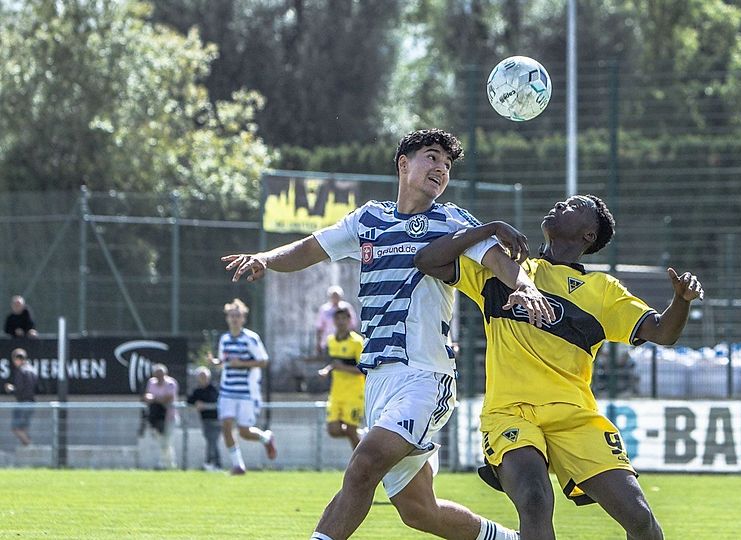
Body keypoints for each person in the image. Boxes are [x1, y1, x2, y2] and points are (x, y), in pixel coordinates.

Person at [223, 128, 554, 540]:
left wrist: (525, 285)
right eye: (432, 157)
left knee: (364, 465)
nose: (441, 169)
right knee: (419, 511)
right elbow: (311, 247)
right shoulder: (369, 219)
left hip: (425, 377)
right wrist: (265, 259)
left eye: (447, 165)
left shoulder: (449, 220)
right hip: (377, 380)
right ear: (403, 163)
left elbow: (496, 259)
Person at [416, 194, 703, 540]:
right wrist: (488, 229)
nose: (560, 205)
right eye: (564, 202)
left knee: (641, 521)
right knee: (535, 500)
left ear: (588, 236)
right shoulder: (505, 268)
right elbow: (427, 260)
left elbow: (662, 332)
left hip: (575, 417)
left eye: (575, 206)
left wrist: (681, 301)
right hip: (510, 413)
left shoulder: (603, 291)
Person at [215, 298, 277, 475]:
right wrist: (217, 362)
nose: (234, 319)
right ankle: (238, 465)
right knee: (226, 426)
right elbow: (225, 361)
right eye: (231, 316)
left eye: (238, 316)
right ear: (227, 318)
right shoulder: (224, 339)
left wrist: (241, 363)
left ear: (243, 318)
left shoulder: (251, 338)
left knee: (244, 432)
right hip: (227, 390)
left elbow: (264, 361)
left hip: (246, 392)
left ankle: (266, 437)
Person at [318, 308, 366, 449]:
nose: (341, 322)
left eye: (344, 318)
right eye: (338, 319)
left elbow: (363, 370)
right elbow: (334, 363)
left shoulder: (357, 342)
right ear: (333, 321)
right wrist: (326, 370)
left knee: (351, 430)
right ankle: (362, 435)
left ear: (349, 320)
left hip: (354, 393)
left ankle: (359, 466)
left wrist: (341, 368)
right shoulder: (331, 340)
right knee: (333, 430)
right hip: (336, 392)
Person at [142, 363, 179, 469]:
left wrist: (154, 399)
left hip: (169, 417)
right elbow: (147, 396)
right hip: (156, 417)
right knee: (161, 441)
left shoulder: (171, 383)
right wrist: (154, 398)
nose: (159, 377)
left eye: (161, 374)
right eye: (156, 374)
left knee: (167, 441)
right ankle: (169, 463)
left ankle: (166, 463)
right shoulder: (151, 383)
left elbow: (168, 398)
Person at [186, 366, 221, 471]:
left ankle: (214, 463)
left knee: (212, 441)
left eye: (204, 376)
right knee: (210, 441)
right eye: (200, 377)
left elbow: (216, 404)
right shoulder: (198, 391)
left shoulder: (213, 389)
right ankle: (212, 463)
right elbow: (190, 400)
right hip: (205, 420)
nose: (202, 379)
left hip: (216, 420)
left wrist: (204, 405)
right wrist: (196, 403)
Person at [4, 348, 38, 446]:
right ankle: (26, 448)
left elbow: (19, 389)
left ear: (17, 359)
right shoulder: (32, 370)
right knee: (23, 428)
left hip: (23, 403)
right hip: (31, 402)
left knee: (16, 428)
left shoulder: (21, 371)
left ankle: (30, 446)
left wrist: (11, 388)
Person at [315, 286, 358, 355]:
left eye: (337, 296)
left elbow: (353, 324)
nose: (335, 298)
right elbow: (319, 327)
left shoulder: (346, 307)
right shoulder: (324, 309)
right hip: (328, 342)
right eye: (333, 296)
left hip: (345, 341)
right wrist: (318, 343)